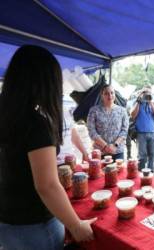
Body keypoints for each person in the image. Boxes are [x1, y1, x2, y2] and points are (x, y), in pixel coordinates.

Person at [0, 45, 96, 250]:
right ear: (44, 82)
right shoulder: (35, 122)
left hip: (7, 218)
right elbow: (47, 185)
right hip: (34, 224)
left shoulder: (6, 113)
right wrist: (76, 225)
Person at [87, 84, 129, 160]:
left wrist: (115, 145)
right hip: (100, 152)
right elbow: (91, 131)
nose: (109, 95)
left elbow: (124, 131)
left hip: (117, 151)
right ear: (102, 96)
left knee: (119, 171)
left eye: (112, 93)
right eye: (106, 93)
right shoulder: (94, 111)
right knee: (100, 172)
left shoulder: (122, 111)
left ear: (115, 94)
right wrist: (105, 146)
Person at [130, 85, 154, 171]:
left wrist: (150, 102)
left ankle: (151, 172)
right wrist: (139, 101)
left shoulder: (153, 103)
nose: (147, 95)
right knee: (142, 155)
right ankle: (141, 172)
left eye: (149, 93)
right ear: (141, 93)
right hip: (140, 133)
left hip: (152, 132)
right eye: (145, 93)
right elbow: (132, 115)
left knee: (152, 154)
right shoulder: (137, 103)